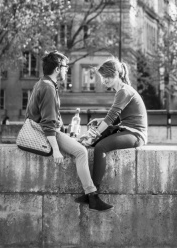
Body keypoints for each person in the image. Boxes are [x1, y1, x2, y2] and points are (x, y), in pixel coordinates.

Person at [26, 50, 113, 212]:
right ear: (58, 69)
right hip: (45, 133)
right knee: (81, 152)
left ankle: (90, 195)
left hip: (42, 130)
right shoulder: (49, 89)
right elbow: (48, 124)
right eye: (66, 67)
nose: (67, 70)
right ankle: (92, 195)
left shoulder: (41, 83)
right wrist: (57, 150)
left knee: (79, 143)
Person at [75, 57, 147, 204]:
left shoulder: (124, 91)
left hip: (136, 134)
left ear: (117, 74)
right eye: (103, 77)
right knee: (95, 144)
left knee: (101, 147)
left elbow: (111, 117)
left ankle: (93, 194)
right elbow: (114, 117)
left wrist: (94, 134)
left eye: (108, 76)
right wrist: (100, 121)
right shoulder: (122, 91)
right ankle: (90, 193)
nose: (104, 80)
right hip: (126, 129)